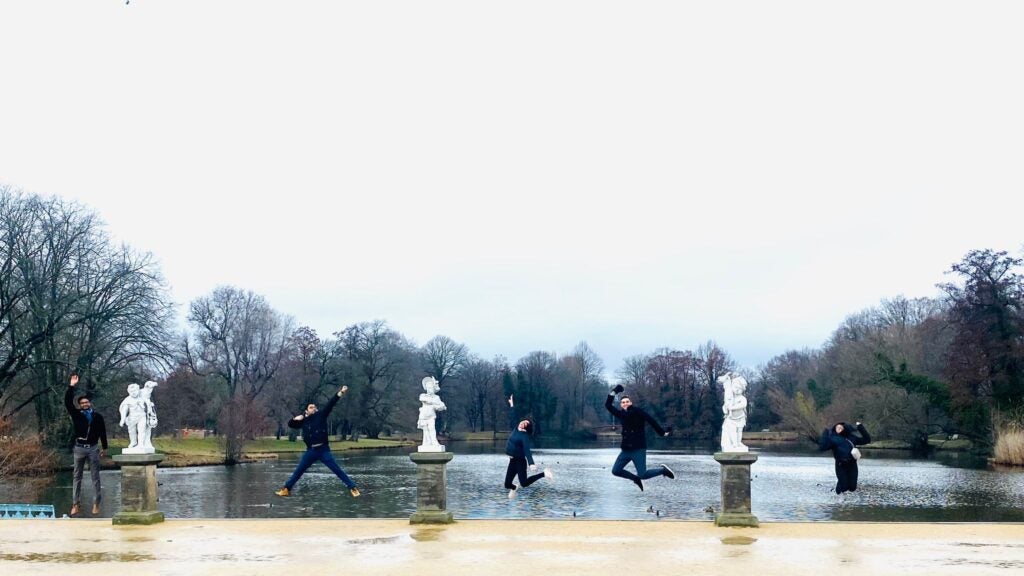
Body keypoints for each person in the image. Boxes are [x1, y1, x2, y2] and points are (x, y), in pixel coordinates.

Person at [275, 385, 360, 497]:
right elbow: (291, 425)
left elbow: (331, 404)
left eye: (314, 407)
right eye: (311, 407)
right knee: (298, 471)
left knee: (336, 469)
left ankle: (353, 488)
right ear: (306, 410)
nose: (313, 408)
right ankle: (286, 489)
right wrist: (295, 419)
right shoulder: (303, 421)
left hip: (323, 450)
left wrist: (340, 392)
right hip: (311, 451)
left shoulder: (321, 416)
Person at [605, 384, 674, 491]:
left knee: (643, 474)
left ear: (631, 403)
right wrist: (615, 391)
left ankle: (663, 471)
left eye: (627, 401)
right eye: (623, 402)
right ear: (621, 405)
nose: (625, 403)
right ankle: (635, 479)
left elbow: (651, 420)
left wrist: (662, 433)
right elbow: (608, 405)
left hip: (638, 449)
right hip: (626, 450)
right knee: (616, 471)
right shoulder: (621, 414)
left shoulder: (637, 412)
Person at [65, 373, 108, 516]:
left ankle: (96, 503)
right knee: (77, 476)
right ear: (80, 405)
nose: (84, 404)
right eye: (82, 403)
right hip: (79, 448)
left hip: (93, 448)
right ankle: (75, 504)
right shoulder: (77, 414)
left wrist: (105, 447)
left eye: (86, 402)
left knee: (95, 476)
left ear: (90, 403)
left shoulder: (97, 417)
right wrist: (71, 386)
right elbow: (67, 402)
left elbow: (103, 432)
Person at [503, 394, 551, 498]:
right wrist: (511, 404)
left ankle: (544, 473)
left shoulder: (524, 436)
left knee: (524, 483)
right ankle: (514, 488)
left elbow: (527, 451)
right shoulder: (516, 428)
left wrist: (531, 464)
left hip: (520, 461)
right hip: (512, 461)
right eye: (523, 422)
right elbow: (512, 416)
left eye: (525, 424)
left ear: (526, 428)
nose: (522, 424)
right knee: (507, 484)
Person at [818, 421, 871, 495]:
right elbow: (822, 448)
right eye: (837, 427)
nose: (838, 429)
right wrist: (825, 434)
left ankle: (841, 493)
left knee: (852, 488)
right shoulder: (833, 439)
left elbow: (867, 440)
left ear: (845, 429)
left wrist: (860, 427)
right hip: (840, 465)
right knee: (844, 487)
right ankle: (837, 499)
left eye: (840, 427)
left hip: (852, 464)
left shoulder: (852, 438)